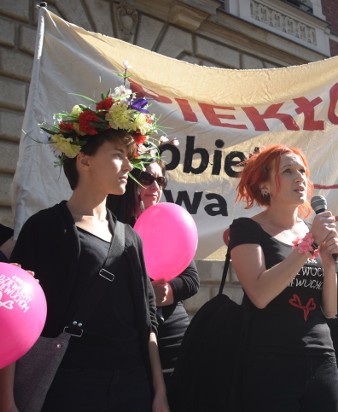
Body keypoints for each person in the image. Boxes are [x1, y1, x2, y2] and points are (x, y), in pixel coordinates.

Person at [0, 77, 169, 411]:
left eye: (130, 155)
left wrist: (159, 392)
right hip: (68, 385)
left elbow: (147, 322)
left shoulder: (131, 237)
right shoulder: (45, 228)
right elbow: (11, 314)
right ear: (85, 160)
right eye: (119, 154)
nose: (129, 166)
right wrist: (7, 399)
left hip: (131, 388)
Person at [228, 144, 338, 412]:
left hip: (322, 358)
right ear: (265, 186)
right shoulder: (247, 229)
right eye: (288, 171)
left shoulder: (311, 230)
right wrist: (309, 244)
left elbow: (330, 309)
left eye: (302, 170)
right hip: (270, 359)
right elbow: (259, 294)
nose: (300, 177)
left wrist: (329, 265)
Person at [107, 160, 200, 386]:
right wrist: (147, 297)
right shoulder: (109, 223)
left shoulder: (168, 222)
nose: (155, 187)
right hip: (128, 336)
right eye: (147, 179)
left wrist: (164, 293)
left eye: (160, 181)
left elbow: (192, 279)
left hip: (170, 331)